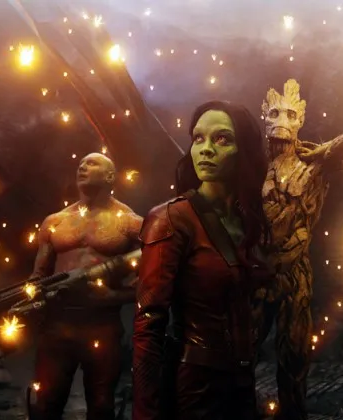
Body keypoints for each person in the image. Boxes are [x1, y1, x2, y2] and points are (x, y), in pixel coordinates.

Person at [132, 101, 273, 420]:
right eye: (198, 138)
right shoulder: (170, 219)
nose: (206, 149)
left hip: (241, 384)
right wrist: (145, 413)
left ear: (243, 150)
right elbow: (148, 325)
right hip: (193, 388)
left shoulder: (249, 221)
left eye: (222, 138)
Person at [30, 152, 143, 420]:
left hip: (102, 326)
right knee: (45, 405)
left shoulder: (130, 222)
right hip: (57, 326)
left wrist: (113, 296)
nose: (82, 167)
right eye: (80, 164)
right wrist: (32, 304)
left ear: (110, 176)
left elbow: (155, 279)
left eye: (91, 163)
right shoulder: (55, 221)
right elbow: (37, 276)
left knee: (101, 406)